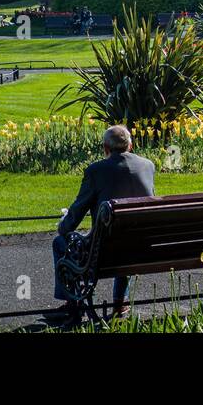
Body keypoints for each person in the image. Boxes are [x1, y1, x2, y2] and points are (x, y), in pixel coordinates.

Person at [51, 124, 155, 325]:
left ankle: (74, 302)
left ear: (106, 148)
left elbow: (77, 212)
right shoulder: (147, 166)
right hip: (139, 248)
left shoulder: (96, 171)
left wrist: (64, 226)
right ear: (130, 146)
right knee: (126, 239)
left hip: (102, 253)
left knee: (59, 243)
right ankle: (119, 303)